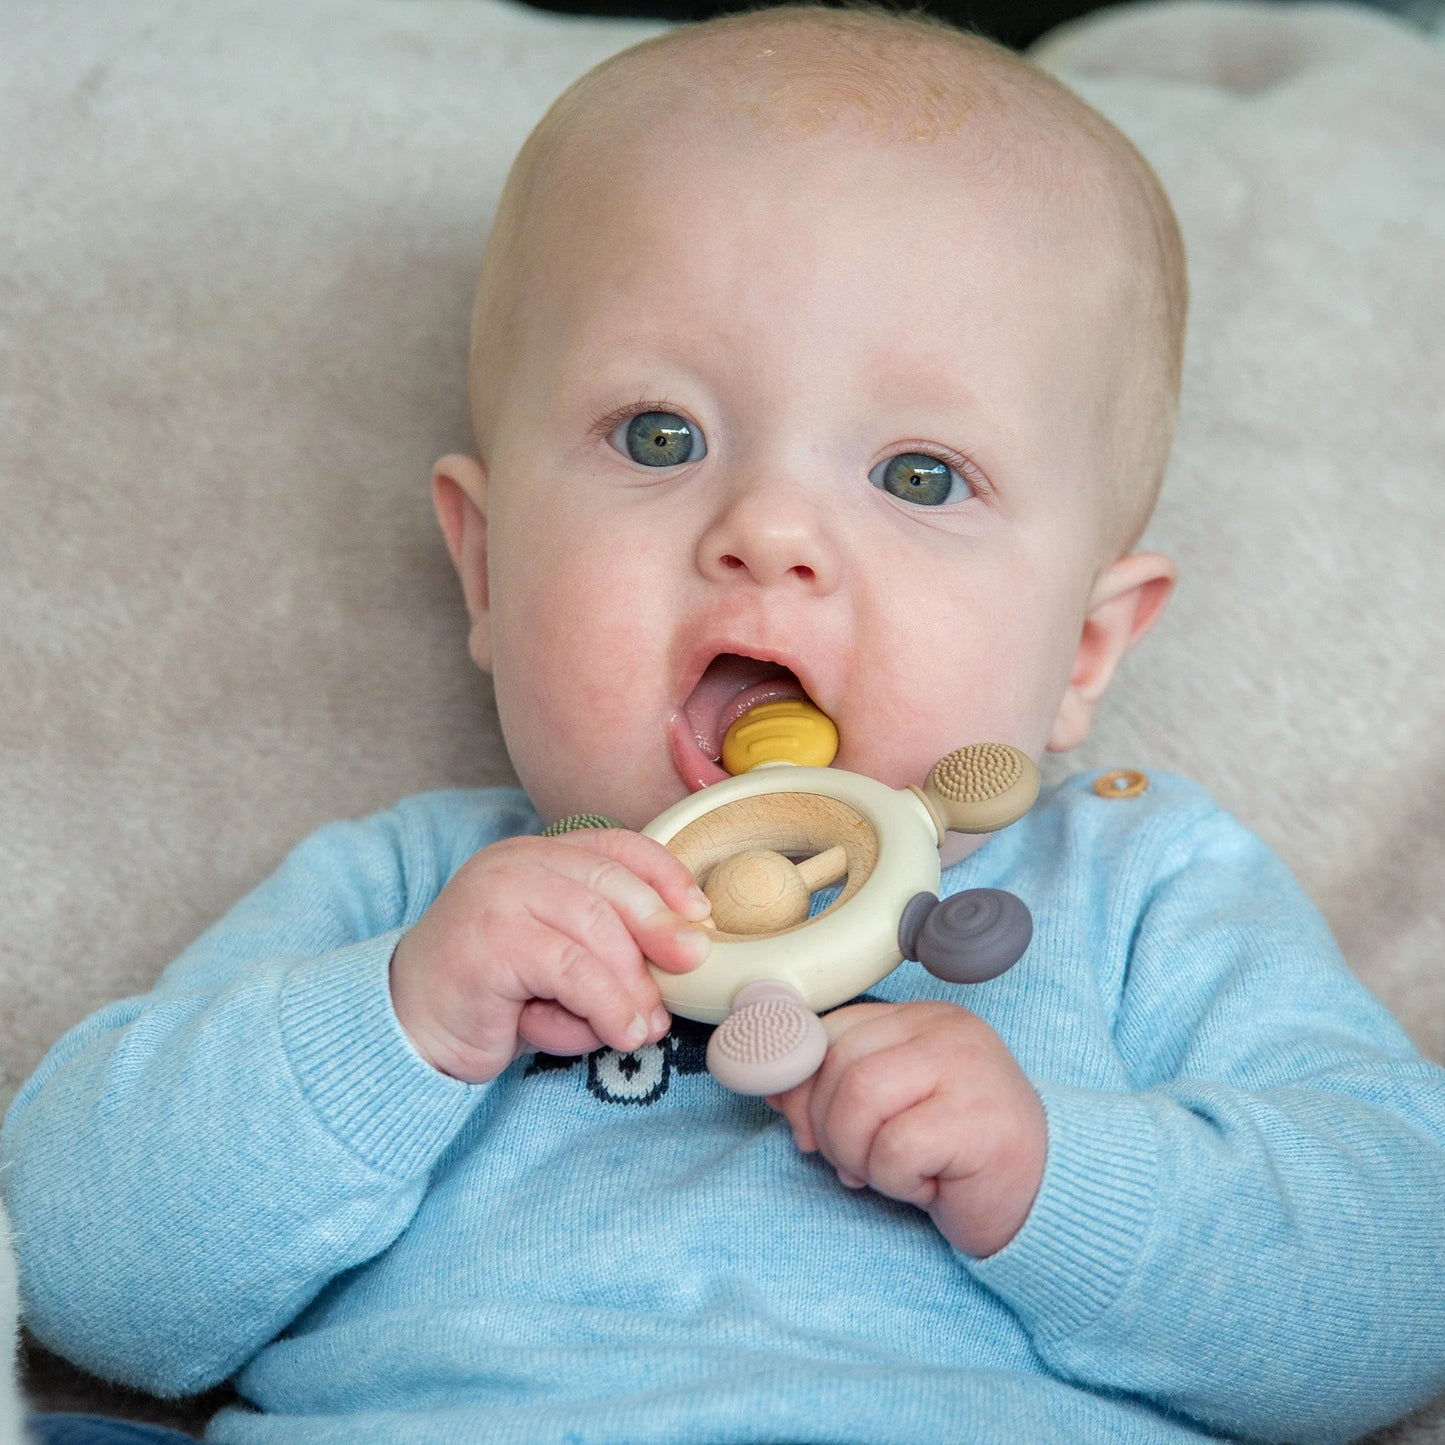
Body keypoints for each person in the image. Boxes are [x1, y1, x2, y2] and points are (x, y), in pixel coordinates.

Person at [6, 6, 1445, 1443]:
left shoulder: (1136, 888)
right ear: (491, 569)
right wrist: (400, 1023)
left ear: (1080, 647)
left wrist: (1057, 1176)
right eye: (660, 437)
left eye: (920, 474)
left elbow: (1402, 1280)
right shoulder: (408, 896)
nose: (768, 533)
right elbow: (82, 1275)